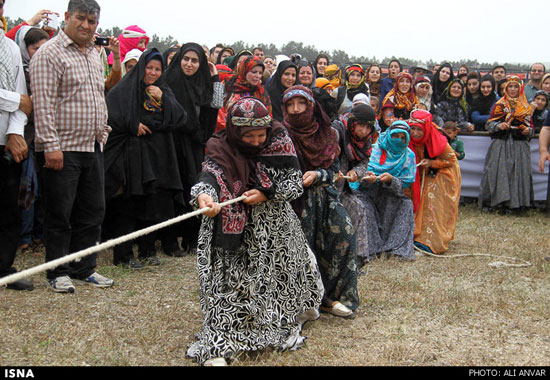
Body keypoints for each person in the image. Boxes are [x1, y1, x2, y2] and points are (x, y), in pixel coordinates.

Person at [187, 97, 323, 366]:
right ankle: (223, 335)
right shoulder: (220, 145)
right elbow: (210, 175)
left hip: (274, 226)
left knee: (282, 273)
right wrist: (205, 197)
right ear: (236, 132)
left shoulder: (279, 138)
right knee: (234, 282)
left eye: (262, 134)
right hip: (234, 232)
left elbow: (294, 183)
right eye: (250, 136)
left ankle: (282, 314)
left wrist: (266, 194)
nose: (258, 141)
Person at [30, 0, 114, 293]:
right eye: (81, 19)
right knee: (60, 213)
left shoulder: (95, 52)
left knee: (92, 212)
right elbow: (42, 104)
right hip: (61, 147)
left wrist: (102, 131)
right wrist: (50, 146)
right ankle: (57, 270)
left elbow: (98, 95)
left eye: (92, 22)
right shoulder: (49, 54)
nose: (86, 26)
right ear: (67, 17)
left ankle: (84, 267)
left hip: (92, 146)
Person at [103, 49, 187, 268]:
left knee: (153, 203)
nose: (153, 72)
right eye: (149, 67)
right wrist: (133, 124)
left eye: (158, 69)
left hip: (158, 153)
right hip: (133, 153)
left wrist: (163, 98)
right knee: (129, 204)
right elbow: (110, 112)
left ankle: (147, 250)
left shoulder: (164, 89)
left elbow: (180, 117)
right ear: (141, 67)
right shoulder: (127, 87)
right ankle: (123, 254)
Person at [282, 85, 359, 319]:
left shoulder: (328, 133)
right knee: (302, 245)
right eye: (290, 105)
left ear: (311, 106)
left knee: (343, 232)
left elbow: (335, 170)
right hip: (294, 199)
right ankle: (306, 299)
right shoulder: (280, 134)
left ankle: (333, 295)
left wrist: (319, 175)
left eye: (301, 104)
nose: (296, 110)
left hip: (324, 194)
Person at [165, 42, 224, 254]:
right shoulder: (169, 80)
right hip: (171, 145)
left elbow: (216, 106)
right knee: (173, 191)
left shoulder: (202, 83)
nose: (189, 64)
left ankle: (191, 238)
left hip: (194, 145)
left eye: (195, 60)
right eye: (186, 59)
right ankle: (169, 241)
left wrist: (215, 76)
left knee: (193, 188)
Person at [0, 1, 34, 291]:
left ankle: (3, 269)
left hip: (5, 143)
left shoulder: (9, 48)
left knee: (8, 210)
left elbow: (25, 99)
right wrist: (14, 101)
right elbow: (18, 99)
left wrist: (14, 133)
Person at [359, 121, 417, 263]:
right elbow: (359, 174)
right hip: (368, 192)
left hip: (391, 193)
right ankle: (371, 248)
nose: (398, 140)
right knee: (363, 206)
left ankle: (396, 249)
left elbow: (406, 181)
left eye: (403, 138)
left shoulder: (408, 156)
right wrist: (369, 177)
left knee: (406, 205)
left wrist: (391, 180)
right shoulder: (374, 150)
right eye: (395, 136)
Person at [14, 26, 49, 251]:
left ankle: (38, 234)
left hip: (43, 138)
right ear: (24, 49)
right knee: (28, 189)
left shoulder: (48, 71)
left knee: (43, 189)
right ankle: (23, 238)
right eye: (36, 48)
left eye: (45, 48)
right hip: (24, 138)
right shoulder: (20, 72)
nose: (40, 52)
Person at [406, 109, 461, 254]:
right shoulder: (406, 137)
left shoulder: (438, 140)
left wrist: (431, 163)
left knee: (431, 202)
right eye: (413, 129)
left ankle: (428, 241)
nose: (415, 133)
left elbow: (451, 160)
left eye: (419, 129)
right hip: (422, 172)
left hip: (443, 172)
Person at [478, 76, 535, 214]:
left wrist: (528, 131)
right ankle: (497, 203)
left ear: (520, 89)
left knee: (519, 173)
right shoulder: (499, 105)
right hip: (501, 144)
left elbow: (531, 127)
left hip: (519, 144)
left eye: (516, 86)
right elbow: (489, 124)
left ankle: (517, 204)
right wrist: (499, 125)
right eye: (510, 86)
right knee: (498, 172)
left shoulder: (526, 107)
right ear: (506, 88)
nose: (513, 89)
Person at [333, 103, 377, 266]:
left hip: (343, 189)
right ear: (353, 122)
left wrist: (355, 173)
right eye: (361, 125)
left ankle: (358, 260)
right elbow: (324, 154)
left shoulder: (365, 140)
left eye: (368, 127)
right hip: (325, 188)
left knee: (359, 209)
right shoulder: (336, 131)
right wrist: (332, 170)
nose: (364, 131)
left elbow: (365, 161)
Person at [216, 55, 271, 132]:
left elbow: (268, 115)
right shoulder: (228, 85)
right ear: (244, 70)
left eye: (260, 73)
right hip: (227, 131)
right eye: (254, 72)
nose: (257, 76)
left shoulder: (260, 91)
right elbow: (219, 111)